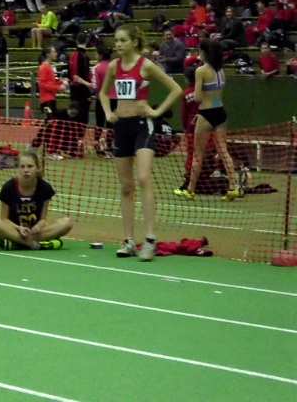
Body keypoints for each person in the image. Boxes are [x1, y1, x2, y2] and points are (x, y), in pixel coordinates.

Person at [99, 25, 182, 261]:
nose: (118, 44)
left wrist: (156, 111)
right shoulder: (114, 66)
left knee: (144, 178)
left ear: (134, 42)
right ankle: (128, 241)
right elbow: (103, 93)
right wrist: (108, 112)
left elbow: (175, 89)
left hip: (142, 126)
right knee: (126, 186)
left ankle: (150, 239)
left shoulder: (145, 65)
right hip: (121, 127)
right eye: (116, 40)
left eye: (123, 40)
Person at [174, 41, 239, 201]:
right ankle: (233, 187)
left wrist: (201, 91)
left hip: (206, 114)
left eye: (200, 51)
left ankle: (190, 190)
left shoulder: (201, 71)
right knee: (223, 151)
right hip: (220, 112)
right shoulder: (221, 70)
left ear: (205, 53)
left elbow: (197, 97)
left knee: (198, 154)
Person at [0, 152, 74, 250]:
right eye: (22, 167)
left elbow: (43, 219)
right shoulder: (8, 187)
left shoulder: (45, 188)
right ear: (18, 169)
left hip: (35, 233)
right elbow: (4, 220)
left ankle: (17, 243)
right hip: (14, 231)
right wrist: (19, 228)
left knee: (67, 222)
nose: (26, 170)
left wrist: (38, 226)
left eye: (30, 166)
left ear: (37, 168)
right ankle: (32, 243)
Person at [68, 33, 92, 125]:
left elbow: (72, 76)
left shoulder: (74, 55)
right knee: (81, 118)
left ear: (77, 41)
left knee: (78, 118)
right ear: (86, 41)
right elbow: (76, 77)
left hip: (77, 91)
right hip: (80, 92)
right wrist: (88, 86)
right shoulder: (81, 56)